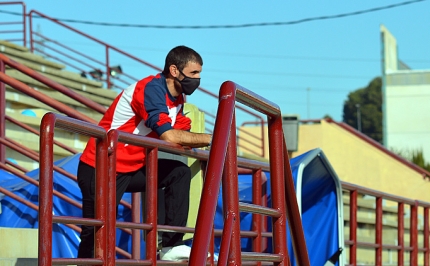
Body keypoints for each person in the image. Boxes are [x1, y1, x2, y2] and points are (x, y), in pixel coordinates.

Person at [77, 45, 212, 261]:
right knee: (96, 233)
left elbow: (183, 134)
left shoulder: (177, 99)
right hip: (101, 166)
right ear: (174, 70)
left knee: (179, 172)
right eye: (194, 73)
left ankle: (170, 246)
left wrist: (197, 140)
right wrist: (211, 139)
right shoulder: (150, 88)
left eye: (199, 74)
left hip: (131, 168)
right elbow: (169, 135)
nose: (197, 79)